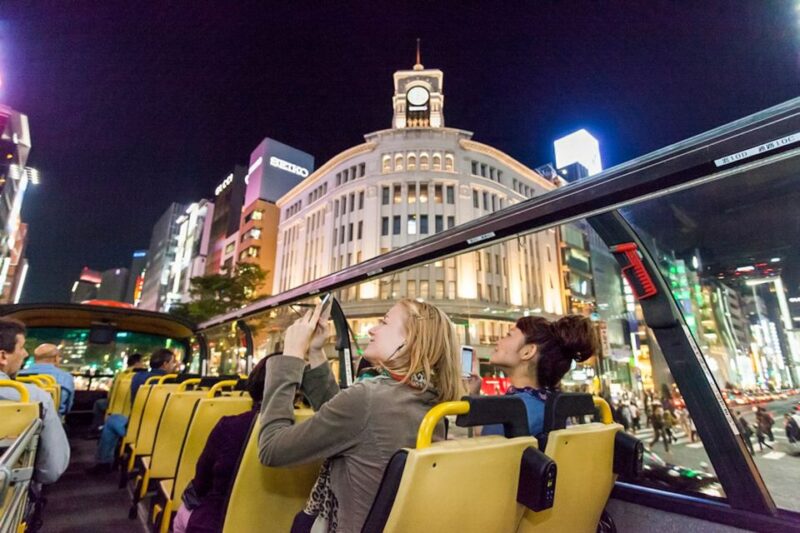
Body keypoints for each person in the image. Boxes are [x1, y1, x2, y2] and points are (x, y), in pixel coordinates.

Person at [258, 299, 463, 532]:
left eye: (384, 322)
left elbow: (271, 449)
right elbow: (347, 426)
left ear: (410, 340)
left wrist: (292, 354)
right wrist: (315, 352)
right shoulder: (426, 400)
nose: (371, 329)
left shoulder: (369, 398)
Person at [172, 356, 269, 533]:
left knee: (180, 519)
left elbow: (202, 481)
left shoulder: (230, 426)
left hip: (220, 522)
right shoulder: (311, 432)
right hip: (283, 525)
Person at [467, 315, 597, 438]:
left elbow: (486, 443)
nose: (498, 341)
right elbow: (485, 432)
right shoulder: (552, 406)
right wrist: (474, 392)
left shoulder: (512, 408)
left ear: (528, 351)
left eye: (508, 335)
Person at [87, 348, 179, 474]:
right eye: (174, 362)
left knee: (112, 420)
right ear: (165, 364)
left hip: (140, 430)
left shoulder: (138, 378)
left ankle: (104, 462)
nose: (176, 365)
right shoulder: (179, 384)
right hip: (168, 433)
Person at [0, 318, 69, 484]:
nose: (24, 354)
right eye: (22, 347)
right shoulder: (36, 398)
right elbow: (51, 470)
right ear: (3, 356)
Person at [88, 353, 146, 437]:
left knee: (98, 403)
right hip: (132, 408)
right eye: (142, 362)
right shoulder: (142, 377)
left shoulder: (120, 375)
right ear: (137, 363)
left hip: (114, 406)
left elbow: (111, 393)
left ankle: (97, 427)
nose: (143, 365)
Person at [19, 343, 75, 416]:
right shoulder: (65, 377)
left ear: (35, 358)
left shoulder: (17, 375)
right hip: (53, 421)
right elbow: (67, 408)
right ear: (56, 358)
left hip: (21, 420)